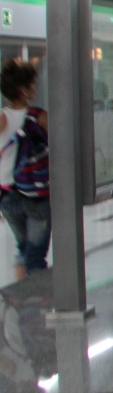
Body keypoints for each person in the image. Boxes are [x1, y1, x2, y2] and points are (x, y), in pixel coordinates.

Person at [0, 60, 49, 280]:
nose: (35, 88)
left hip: (7, 195)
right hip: (36, 194)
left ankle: (20, 305)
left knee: (23, 248)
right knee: (36, 256)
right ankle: (37, 308)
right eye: (33, 84)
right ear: (24, 90)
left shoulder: (1, 118)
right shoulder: (39, 117)